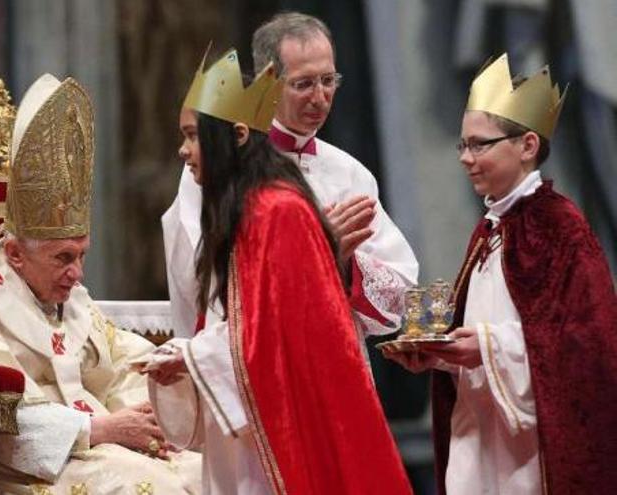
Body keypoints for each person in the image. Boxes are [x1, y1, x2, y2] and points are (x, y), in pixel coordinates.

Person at [147, 48, 411, 495]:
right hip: (251, 418)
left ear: (235, 136)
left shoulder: (277, 211)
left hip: (285, 418)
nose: (183, 151)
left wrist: (192, 357)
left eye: (193, 136)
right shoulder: (247, 209)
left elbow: (278, 336)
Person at [0, 73, 201, 494]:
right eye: (63, 258)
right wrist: (99, 428)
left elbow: (116, 365)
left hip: (101, 441)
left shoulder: (66, 293)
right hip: (30, 466)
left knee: (202, 472)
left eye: (82, 255)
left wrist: (153, 413)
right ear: (14, 253)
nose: (77, 273)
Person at [384, 54, 617, 494]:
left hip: (531, 455)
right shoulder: (490, 230)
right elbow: (482, 336)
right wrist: (440, 356)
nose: (466, 158)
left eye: (479, 144)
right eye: (462, 146)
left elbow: (588, 348)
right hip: (482, 437)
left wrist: (490, 347)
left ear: (528, 146)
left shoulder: (560, 227)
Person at [163, 12, 418, 349]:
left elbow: (402, 290)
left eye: (328, 80)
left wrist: (345, 266)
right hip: (250, 354)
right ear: (268, 83)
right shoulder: (219, 164)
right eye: (303, 84)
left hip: (334, 353)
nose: (320, 97)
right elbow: (200, 279)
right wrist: (314, 250)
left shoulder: (350, 173)